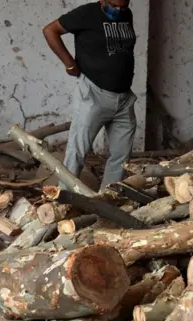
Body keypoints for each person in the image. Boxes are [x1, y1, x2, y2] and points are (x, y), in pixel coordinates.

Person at [43, 0, 137, 190]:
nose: (118, 11)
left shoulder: (127, 15)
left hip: (124, 97)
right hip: (94, 93)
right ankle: (63, 201)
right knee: (77, 152)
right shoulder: (86, 13)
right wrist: (69, 64)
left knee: (121, 155)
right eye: (113, 6)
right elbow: (50, 30)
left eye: (123, 6)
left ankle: (107, 203)